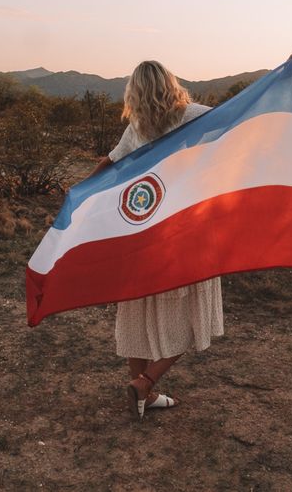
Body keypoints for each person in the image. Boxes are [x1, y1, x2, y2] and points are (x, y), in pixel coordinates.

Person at [87, 60, 224, 421]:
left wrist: (78, 195)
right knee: (194, 314)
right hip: (187, 230)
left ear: (135, 92)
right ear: (171, 84)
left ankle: (143, 392)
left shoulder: (137, 126)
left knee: (138, 309)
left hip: (145, 232)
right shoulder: (195, 115)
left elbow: (111, 162)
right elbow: (239, 122)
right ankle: (146, 383)